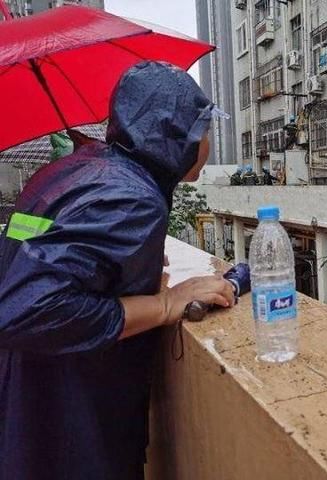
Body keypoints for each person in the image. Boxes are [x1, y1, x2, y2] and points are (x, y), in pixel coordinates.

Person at [0, 61, 236, 479]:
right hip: (70, 429)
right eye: (204, 128)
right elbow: (26, 309)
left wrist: (123, 273)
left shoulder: (70, 172)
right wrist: (164, 305)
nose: (209, 141)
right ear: (177, 133)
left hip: (28, 404)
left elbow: (33, 254)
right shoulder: (130, 197)